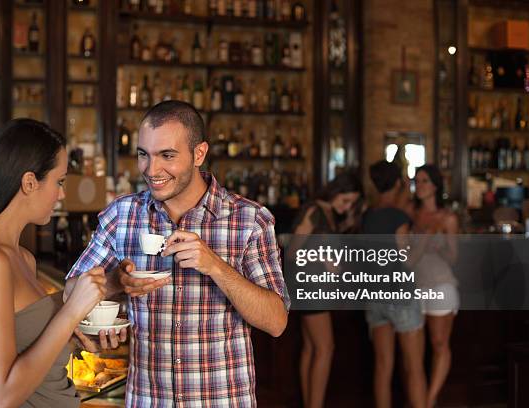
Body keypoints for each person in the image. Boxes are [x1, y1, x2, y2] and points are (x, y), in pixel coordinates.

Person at [64, 100, 290, 407]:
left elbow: (276, 321)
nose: (151, 169)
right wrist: (115, 283)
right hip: (148, 399)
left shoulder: (249, 220)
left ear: (199, 154)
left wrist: (215, 266)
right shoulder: (122, 216)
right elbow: (69, 293)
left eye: (166, 155)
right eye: (144, 155)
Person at [0, 119, 107, 407]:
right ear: (29, 182)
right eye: (59, 182)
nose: (62, 194)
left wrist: (75, 330)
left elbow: (31, 354)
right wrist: (71, 312)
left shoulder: (23, 258)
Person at [292, 171, 363, 408]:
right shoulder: (313, 211)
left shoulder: (330, 214)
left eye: (352, 202)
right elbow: (291, 251)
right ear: (335, 192)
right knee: (325, 347)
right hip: (310, 286)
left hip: (316, 286)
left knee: (312, 348)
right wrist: (319, 255)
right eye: (345, 200)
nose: (347, 206)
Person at [362, 160, 427, 408]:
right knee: (414, 367)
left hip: (374, 297)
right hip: (401, 295)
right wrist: (422, 240)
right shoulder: (399, 217)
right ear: (399, 183)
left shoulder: (368, 215)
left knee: (382, 367)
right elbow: (407, 261)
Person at [409, 164, 459, 408]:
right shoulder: (410, 213)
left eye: (425, 181)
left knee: (439, 344)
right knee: (415, 354)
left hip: (441, 284)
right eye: (417, 181)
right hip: (415, 286)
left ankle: (428, 402)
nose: (419, 185)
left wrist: (438, 246)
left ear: (436, 186)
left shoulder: (448, 218)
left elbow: (454, 257)